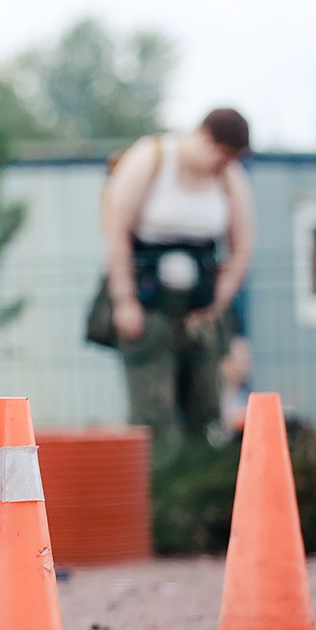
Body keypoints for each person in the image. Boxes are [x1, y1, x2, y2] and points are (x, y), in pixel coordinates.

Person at [99, 109, 255, 439]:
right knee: (152, 411)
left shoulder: (229, 178)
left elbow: (242, 246)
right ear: (205, 137)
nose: (225, 164)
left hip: (200, 309)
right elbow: (115, 230)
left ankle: (196, 485)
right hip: (148, 305)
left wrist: (219, 302)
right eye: (223, 155)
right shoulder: (151, 158)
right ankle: (156, 487)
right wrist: (125, 300)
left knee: (205, 406)